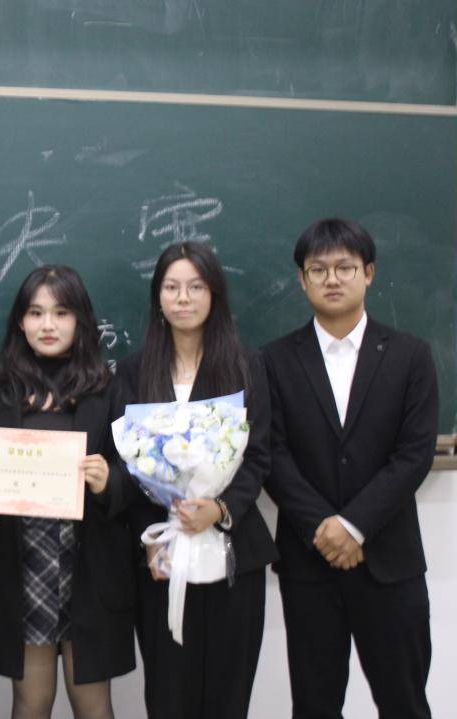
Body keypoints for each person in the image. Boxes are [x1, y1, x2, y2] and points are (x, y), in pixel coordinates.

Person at [264, 218, 437, 719]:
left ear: (369, 273)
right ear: (302, 280)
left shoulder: (411, 356)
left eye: (345, 267)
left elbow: (414, 454)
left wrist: (354, 525)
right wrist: (323, 527)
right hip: (309, 563)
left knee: (405, 703)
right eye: (318, 270)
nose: (332, 279)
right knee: (314, 705)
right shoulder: (273, 360)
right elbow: (272, 453)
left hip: (390, 561)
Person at [0, 265, 135, 719]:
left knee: (93, 705)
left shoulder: (110, 393)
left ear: (80, 320)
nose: (47, 324)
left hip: (89, 569)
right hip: (23, 568)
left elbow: (141, 479)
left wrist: (109, 481)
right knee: (30, 703)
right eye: (35, 313)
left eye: (61, 312)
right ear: (20, 322)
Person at [116, 241, 276, 719]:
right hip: (162, 561)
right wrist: (151, 535)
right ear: (158, 297)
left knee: (229, 697)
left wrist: (220, 509)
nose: (183, 298)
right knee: (169, 696)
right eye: (171, 287)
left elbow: (259, 455)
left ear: (214, 294)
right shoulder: (132, 372)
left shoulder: (248, 366)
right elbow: (126, 466)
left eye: (196, 287)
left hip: (234, 558)